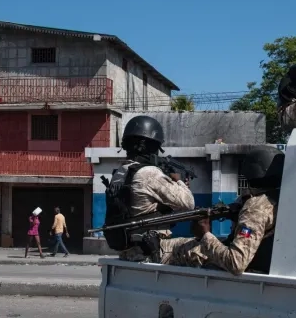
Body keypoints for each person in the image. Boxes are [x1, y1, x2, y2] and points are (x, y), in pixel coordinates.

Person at [168, 146, 284, 275]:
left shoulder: (255, 207)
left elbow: (236, 263)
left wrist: (204, 235)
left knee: (176, 249)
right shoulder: (280, 198)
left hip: (249, 269)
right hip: (266, 263)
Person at [103, 115, 196, 263]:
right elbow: (188, 203)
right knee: (201, 246)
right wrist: (179, 181)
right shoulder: (149, 173)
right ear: (149, 146)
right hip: (153, 249)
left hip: (129, 250)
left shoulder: (120, 173)